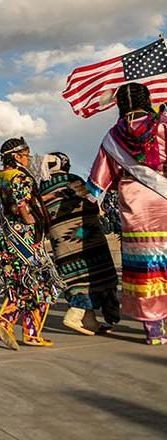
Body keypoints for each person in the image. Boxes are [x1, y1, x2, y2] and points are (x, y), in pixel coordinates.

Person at [87, 82, 167, 345]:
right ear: (147, 99)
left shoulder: (112, 137)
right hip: (163, 197)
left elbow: (99, 178)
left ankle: (153, 328)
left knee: (145, 265)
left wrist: (91, 199)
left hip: (134, 203)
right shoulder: (163, 124)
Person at [0, 137, 62, 350]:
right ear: (15, 156)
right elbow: (22, 203)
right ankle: (7, 319)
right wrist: (28, 217)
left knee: (27, 283)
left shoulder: (2, 175)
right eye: (25, 155)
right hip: (25, 237)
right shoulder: (19, 176)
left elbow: (15, 201)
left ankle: (31, 333)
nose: (28, 159)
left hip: (10, 236)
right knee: (40, 282)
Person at [39, 152, 120, 335]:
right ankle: (75, 315)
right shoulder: (72, 179)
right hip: (85, 237)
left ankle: (90, 322)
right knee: (96, 273)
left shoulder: (42, 187)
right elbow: (91, 202)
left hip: (61, 242)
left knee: (75, 278)